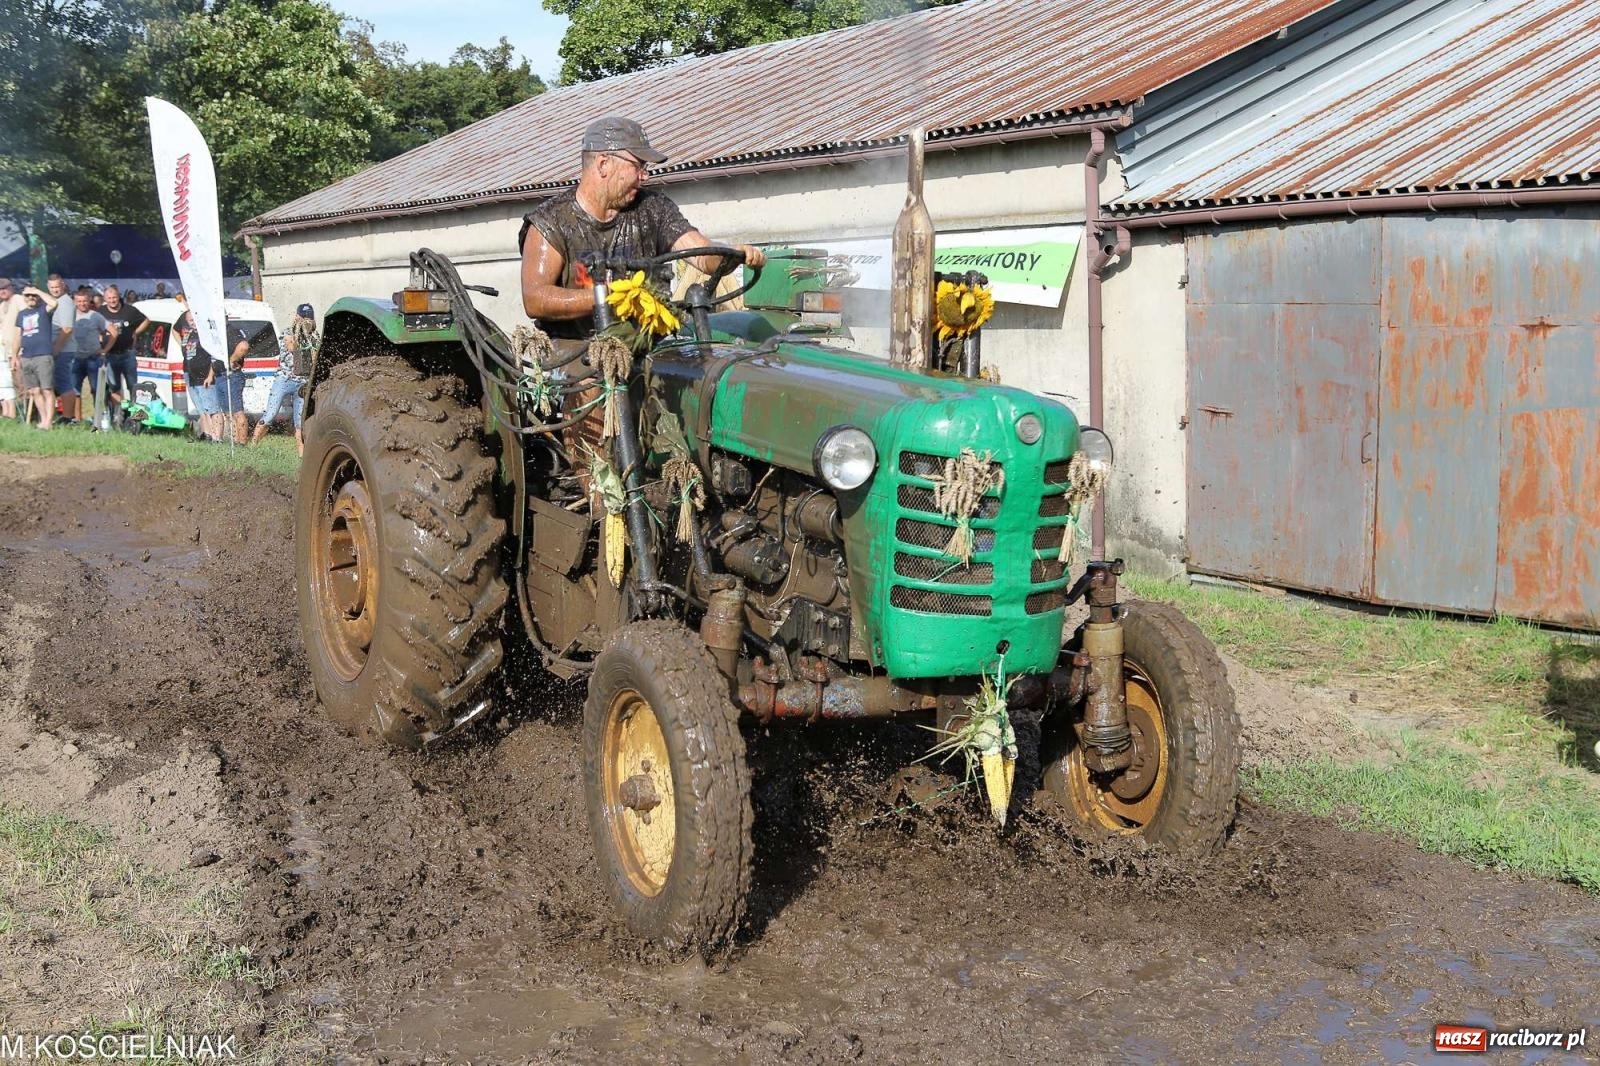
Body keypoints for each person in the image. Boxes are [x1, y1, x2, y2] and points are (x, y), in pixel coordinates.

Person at [519, 116, 766, 340]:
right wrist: (610, 297)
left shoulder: (654, 209)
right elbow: (536, 299)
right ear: (603, 164)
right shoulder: (551, 221)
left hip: (650, 341)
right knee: (595, 389)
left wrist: (733, 255)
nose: (644, 176)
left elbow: (701, 256)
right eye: (637, 166)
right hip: (577, 348)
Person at [253, 302, 314, 453]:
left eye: (310, 318)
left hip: (303, 382)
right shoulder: (289, 331)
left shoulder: (313, 336)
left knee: (300, 421)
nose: (307, 321)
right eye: (304, 318)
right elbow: (292, 347)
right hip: (284, 379)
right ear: (297, 317)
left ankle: (301, 452)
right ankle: (253, 445)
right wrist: (301, 332)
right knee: (271, 414)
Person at [175, 294, 223, 441]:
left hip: (205, 376)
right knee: (202, 409)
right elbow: (175, 329)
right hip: (191, 375)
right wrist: (181, 344)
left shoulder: (207, 335)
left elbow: (215, 357)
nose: (192, 323)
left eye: (194, 320)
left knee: (213, 409)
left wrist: (210, 375)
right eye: (189, 321)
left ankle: (217, 438)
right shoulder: (189, 334)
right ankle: (207, 435)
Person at [98, 284, 149, 417]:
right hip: (109, 355)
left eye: (114, 297)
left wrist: (135, 332)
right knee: (114, 387)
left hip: (127, 353)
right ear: (105, 299)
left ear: (118, 296)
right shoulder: (100, 312)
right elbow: (94, 327)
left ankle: (135, 415)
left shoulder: (129, 310)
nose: (112, 300)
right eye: (109, 298)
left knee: (133, 386)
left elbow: (146, 321)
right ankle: (118, 415)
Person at [9, 289, 57, 429]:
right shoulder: (22, 314)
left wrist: (37, 291)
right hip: (27, 356)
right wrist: (14, 355)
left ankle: (49, 421)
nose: (31, 297)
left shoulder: (44, 310)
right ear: (24, 297)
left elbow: (54, 303)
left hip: (43, 355)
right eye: (28, 295)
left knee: (47, 389)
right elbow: (17, 336)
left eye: (34, 296)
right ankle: (43, 420)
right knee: (34, 391)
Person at [69, 288, 113, 427]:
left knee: (97, 390)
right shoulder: (69, 316)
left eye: (85, 301)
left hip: (93, 358)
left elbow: (113, 332)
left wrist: (105, 350)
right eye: (79, 301)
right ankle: (77, 420)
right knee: (74, 390)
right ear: (75, 302)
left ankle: (99, 420)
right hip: (75, 358)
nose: (82, 304)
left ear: (89, 301)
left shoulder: (96, 316)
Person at [0, 278, 25, 419]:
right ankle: (15, 415)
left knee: (23, 386)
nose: (2, 291)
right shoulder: (2, 305)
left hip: (21, 351)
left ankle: (30, 417)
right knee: (13, 386)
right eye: (0, 289)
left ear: (11, 288)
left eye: (5, 288)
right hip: (7, 353)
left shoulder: (18, 300)